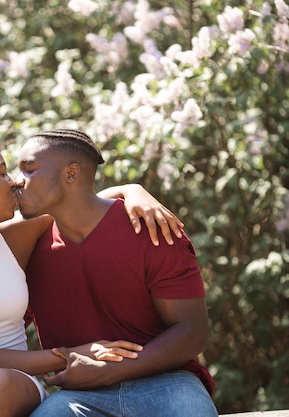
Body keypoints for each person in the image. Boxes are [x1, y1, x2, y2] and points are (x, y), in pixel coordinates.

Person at [0, 136, 183, 417]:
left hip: (14, 386)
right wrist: (71, 354)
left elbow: (81, 202)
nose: (15, 181)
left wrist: (133, 190)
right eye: (3, 173)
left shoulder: (14, 239)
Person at [16, 129, 217, 416]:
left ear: (71, 174)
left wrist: (107, 371)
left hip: (170, 384)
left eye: (29, 169)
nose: (16, 180)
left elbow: (192, 331)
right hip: (78, 396)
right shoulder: (27, 249)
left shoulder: (151, 228)